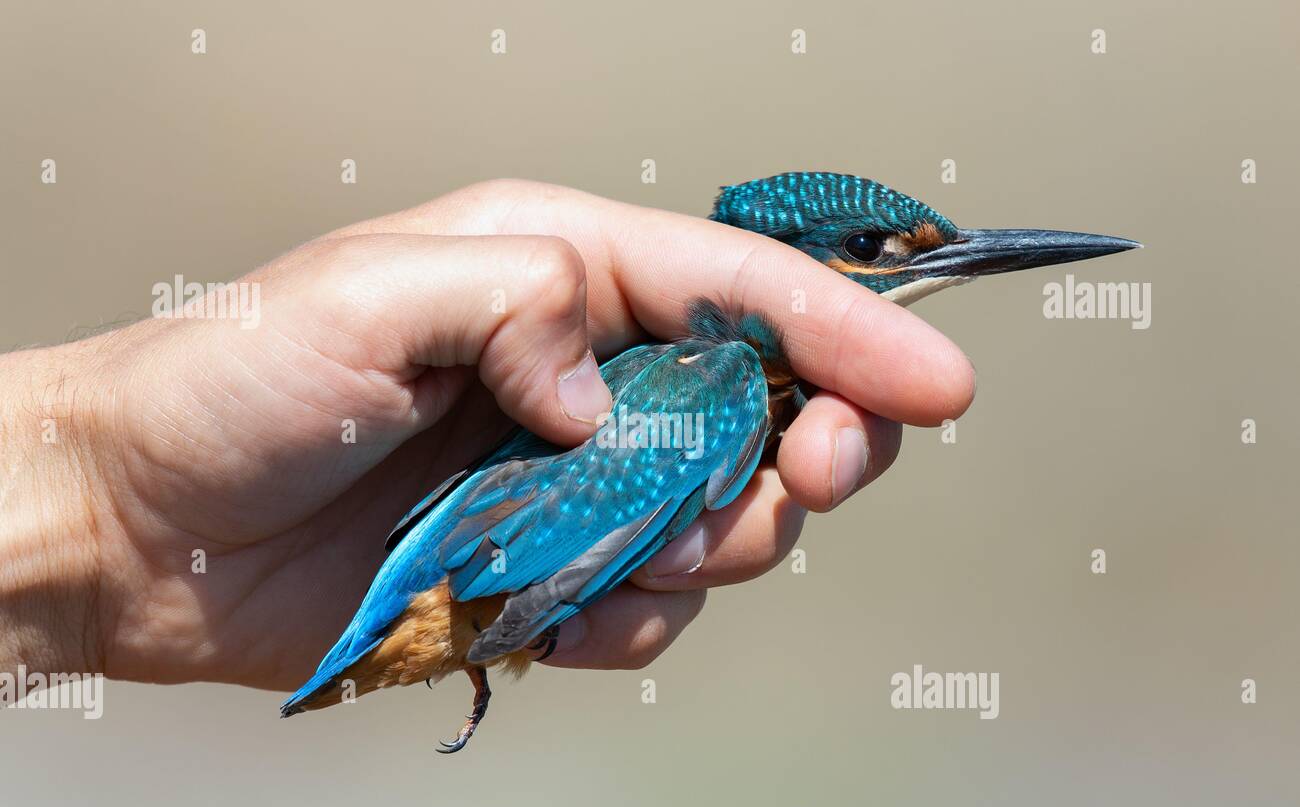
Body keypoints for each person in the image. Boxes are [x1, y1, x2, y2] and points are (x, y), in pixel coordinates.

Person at [0, 179, 975, 692]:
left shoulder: (704, 382)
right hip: (435, 568)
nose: (891, 270)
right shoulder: (715, 373)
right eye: (867, 255)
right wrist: (107, 514)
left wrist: (107, 535)